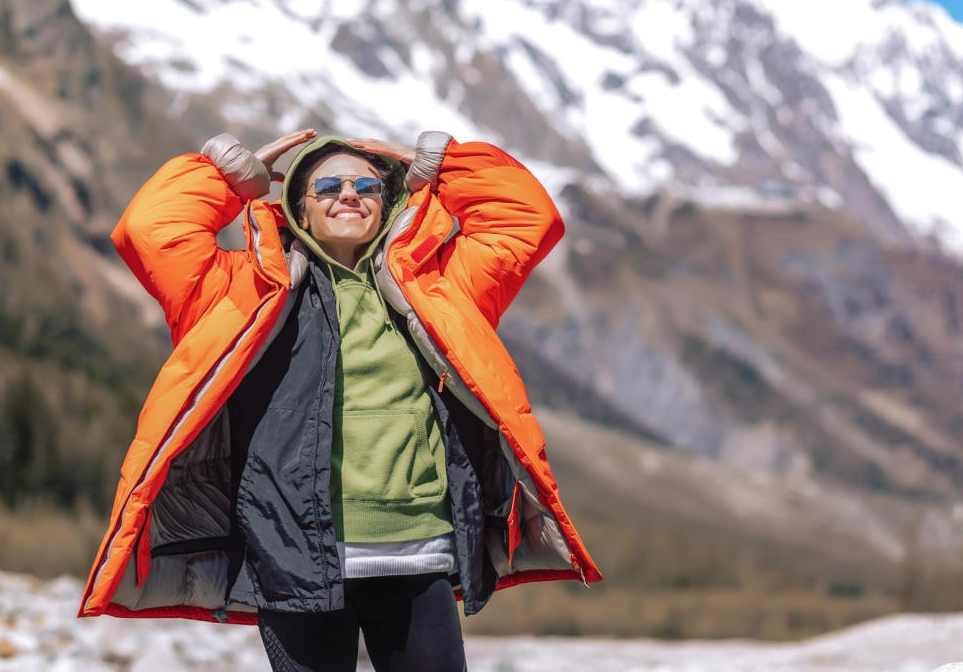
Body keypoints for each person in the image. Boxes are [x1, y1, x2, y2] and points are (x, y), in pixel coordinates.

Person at [77, 128, 602, 671]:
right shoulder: (237, 289)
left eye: (368, 186)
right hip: (291, 551)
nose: (349, 195)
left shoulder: (444, 284)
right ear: (298, 208)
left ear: (389, 200)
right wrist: (228, 180)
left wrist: (448, 168)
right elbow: (151, 230)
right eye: (328, 185)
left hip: (419, 550)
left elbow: (526, 218)